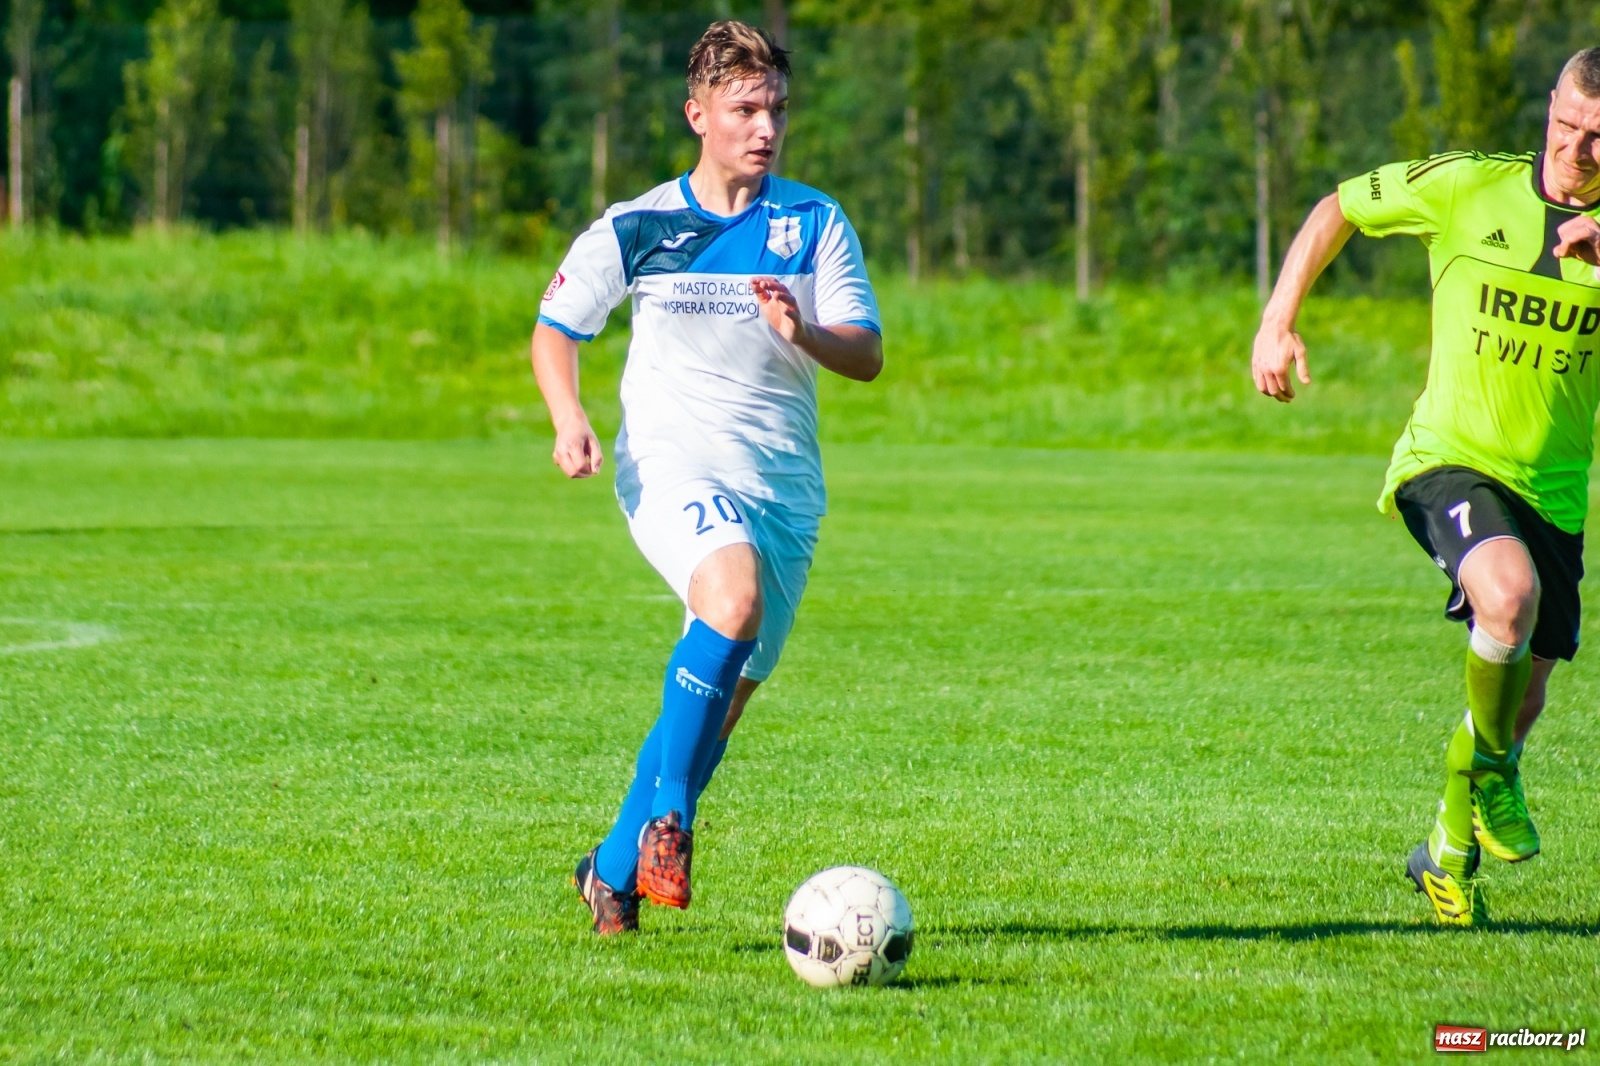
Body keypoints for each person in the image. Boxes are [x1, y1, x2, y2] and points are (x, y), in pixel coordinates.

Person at [531, 20, 883, 935]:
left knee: (717, 707)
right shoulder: (640, 225)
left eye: (775, 109)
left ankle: (609, 873)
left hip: (785, 493)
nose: (765, 128)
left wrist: (804, 332)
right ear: (698, 115)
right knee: (729, 599)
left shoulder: (814, 222)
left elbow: (869, 354)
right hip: (670, 466)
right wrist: (569, 418)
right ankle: (671, 820)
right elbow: (557, 328)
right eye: (744, 109)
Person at [1251, 48, 1600, 926]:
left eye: (1599, 138)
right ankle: (1495, 778)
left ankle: (1445, 853)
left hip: (1556, 492)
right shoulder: (1468, 186)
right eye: (1565, 124)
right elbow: (1338, 206)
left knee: (1522, 696)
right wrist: (1278, 318)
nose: (1576, 149)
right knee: (1507, 599)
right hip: (1449, 458)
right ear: (1549, 104)